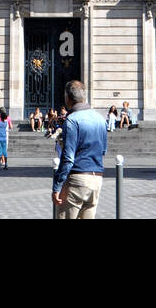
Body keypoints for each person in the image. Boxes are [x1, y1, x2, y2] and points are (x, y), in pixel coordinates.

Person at [52, 80, 107, 219]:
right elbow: (103, 150)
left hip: (77, 179)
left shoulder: (72, 120)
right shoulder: (100, 119)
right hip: (97, 179)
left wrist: (57, 186)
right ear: (84, 97)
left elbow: (68, 158)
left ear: (67, 98)